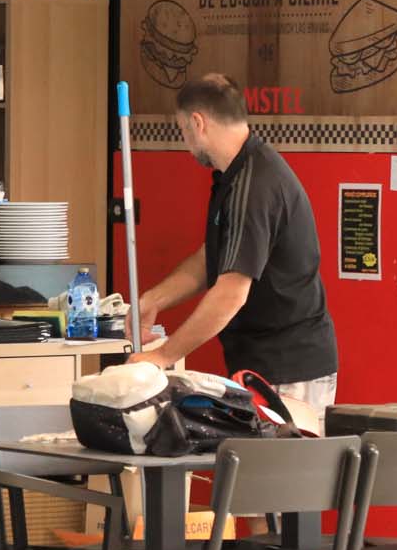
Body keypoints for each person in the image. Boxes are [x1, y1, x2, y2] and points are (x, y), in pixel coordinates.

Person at [129, 73, 339, 410]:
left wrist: (163, 356)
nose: (186, 143)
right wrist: (153, 300)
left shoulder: (254, 186)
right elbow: (213, 258)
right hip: (265, 363)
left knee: (278, 450)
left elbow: (230, 293)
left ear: (198, 123)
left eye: (182, 130)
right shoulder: (237, 175)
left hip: (288, 369)